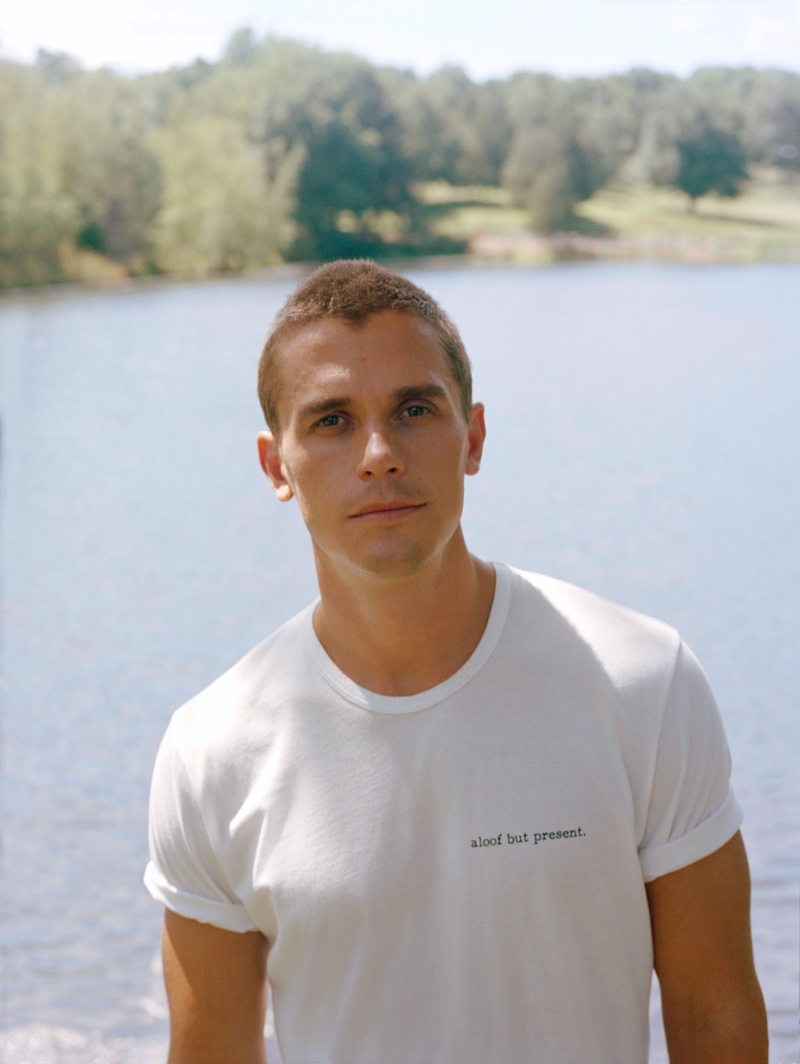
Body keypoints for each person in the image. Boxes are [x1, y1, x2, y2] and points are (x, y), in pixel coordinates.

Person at [145, 260, 768, 1064]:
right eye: (331, 420)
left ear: (471, 438)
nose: (378, 454)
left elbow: (714, 1014)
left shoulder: (642, 681)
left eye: (414, 409)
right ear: (276, 468)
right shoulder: (213, 751)